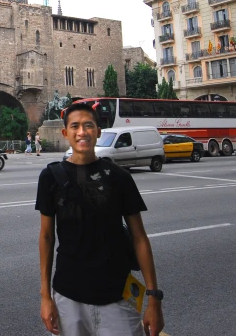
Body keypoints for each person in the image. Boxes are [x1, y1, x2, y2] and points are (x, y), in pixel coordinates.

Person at [35, 100, 164, 336]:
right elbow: (46, 237)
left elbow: (139, 238)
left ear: (98, 132)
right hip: (68, 296)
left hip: (117, 295)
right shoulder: (50, 177)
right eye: (75, 126)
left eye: (88, 125)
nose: (82, 132)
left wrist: (154, 299)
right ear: (66, 133)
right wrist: (45, 296)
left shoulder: (119, 177)